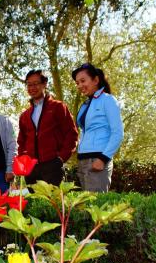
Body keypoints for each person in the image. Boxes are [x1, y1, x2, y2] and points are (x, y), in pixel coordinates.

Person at [17, 69, 78, 186]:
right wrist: (23, 160)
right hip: (31, 169)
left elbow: (72, 134)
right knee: (36, 203)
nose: (32, 88)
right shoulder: (24, 116)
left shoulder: (58, 107)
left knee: (54, 203)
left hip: (52, 166)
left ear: (44, 84)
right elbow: (21, 142)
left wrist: (61, 158)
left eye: (36, 84)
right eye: (29, 85)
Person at [72, 63, 124, 192]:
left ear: (95, 80)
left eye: (83, 81)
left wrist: (103, 159)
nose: (79, 86)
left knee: (96, 207)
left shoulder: (108, 100)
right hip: (83, 160)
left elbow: (117, 133)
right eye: (77, 83)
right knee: (85, 208)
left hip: (98, 160)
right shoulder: (86, 104)